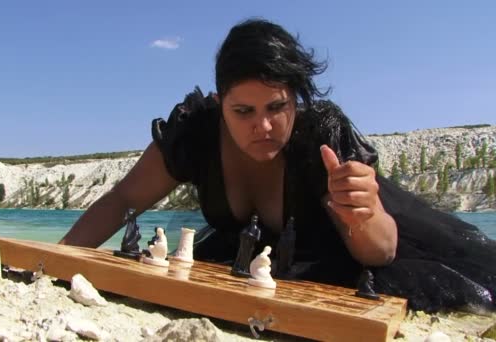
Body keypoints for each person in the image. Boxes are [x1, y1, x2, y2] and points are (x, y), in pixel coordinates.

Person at [60, 18, 496, 313]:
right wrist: (54, 262)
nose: (262, 126)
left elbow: (379, 253)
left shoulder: (319, 137)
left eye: (277, 106)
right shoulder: (195, 132)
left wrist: (364, 213)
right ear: (219, 103)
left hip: (343, 252)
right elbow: (122, 200)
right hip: (257, 257)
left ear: (297, 99)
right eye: (243, 111)